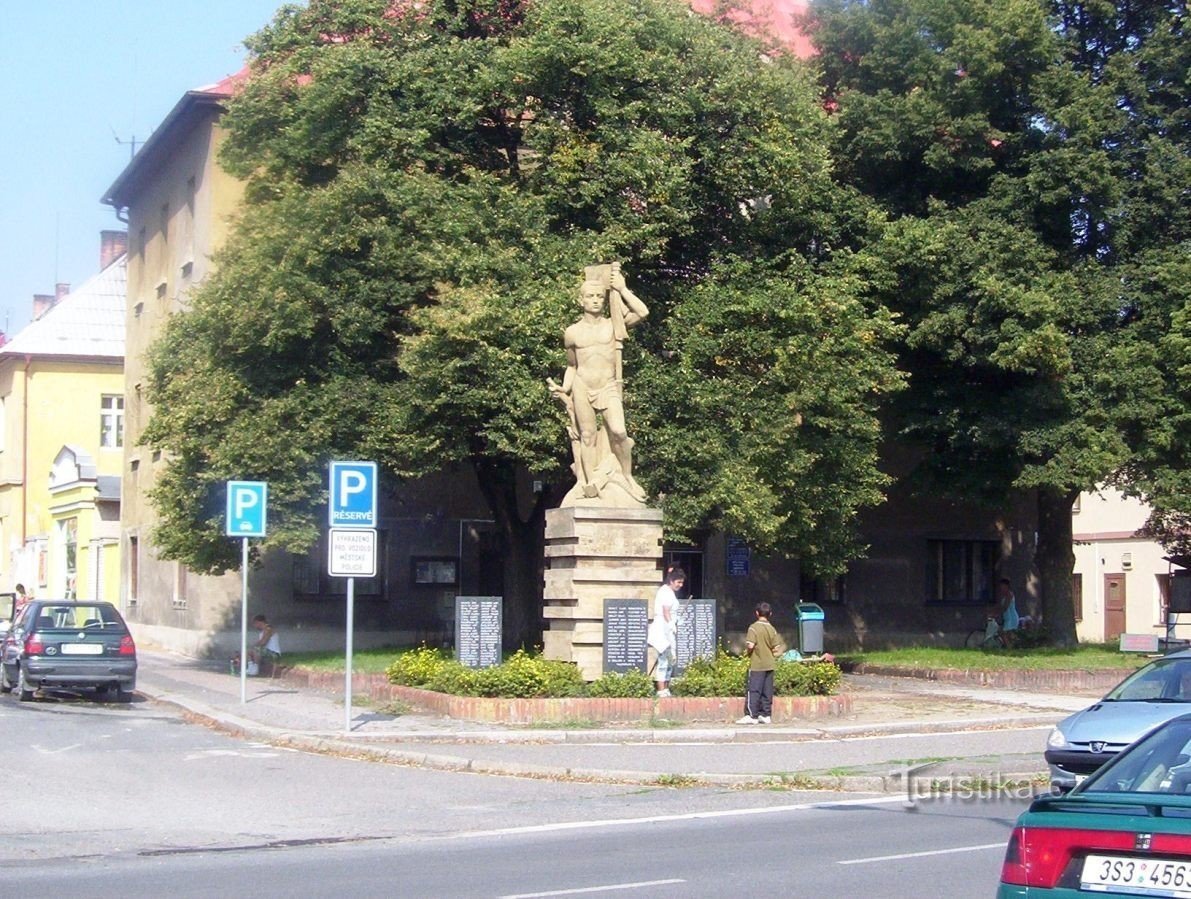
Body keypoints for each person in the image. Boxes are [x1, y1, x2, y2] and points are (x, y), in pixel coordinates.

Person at [548, 264, 649, 505]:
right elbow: (572, 366)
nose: (595, 301)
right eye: (590, 297)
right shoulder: (572, 332)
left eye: (599, 297)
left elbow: (642, 312)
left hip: (607, 386)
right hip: (583, 386)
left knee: (619, 431)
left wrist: (622, 290)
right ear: (580, 300)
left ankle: (626, 476)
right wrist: (565, 388)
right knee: (587, 436)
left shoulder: (613, 323)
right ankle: (588, 481)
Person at [738, 602, 787, 725]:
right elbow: (776, 648)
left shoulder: (753, 628)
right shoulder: (772, 629)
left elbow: (750, 645)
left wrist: (748, 652)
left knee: (754, 689)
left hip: (757, 663)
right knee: (767, 690)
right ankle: (765, 715)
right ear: (770, 614)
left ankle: (752, 715)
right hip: (769, 664)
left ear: (756, 613)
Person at [648, 567, 685, 698]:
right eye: (678, 582)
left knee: (671, 660)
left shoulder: (670, 592)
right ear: (671, 580)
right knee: (664, 659)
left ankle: (666, 688)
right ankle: (661, 689)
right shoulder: (665, 592)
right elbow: (666, 611)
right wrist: (670, 624)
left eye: (682, 583)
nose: (680, 585)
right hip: (662, 629)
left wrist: (676, 622)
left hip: (668, 629)